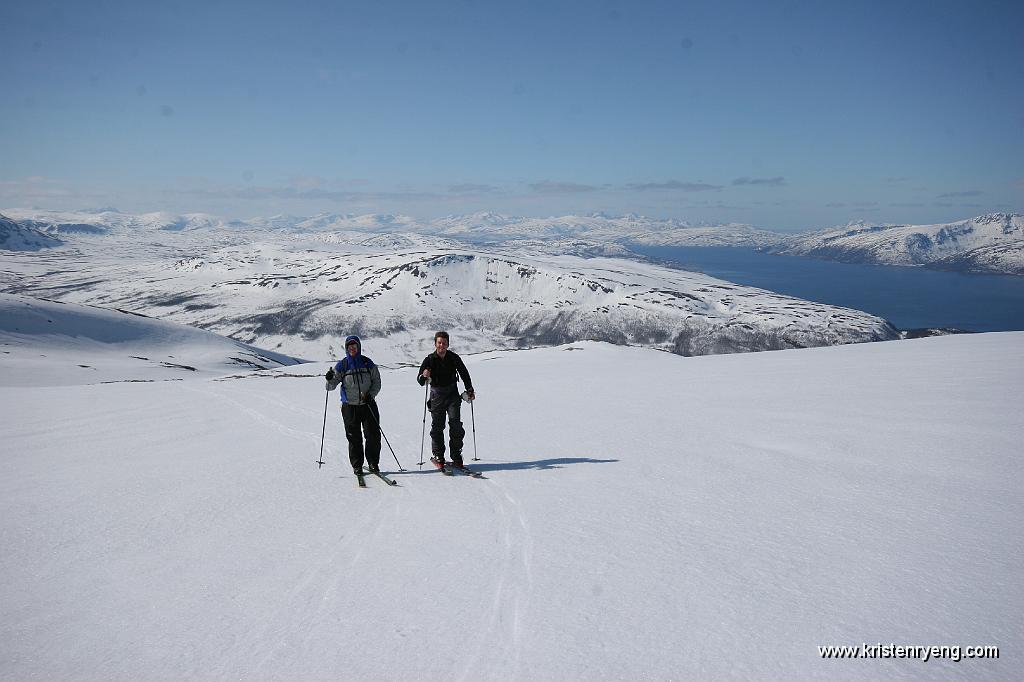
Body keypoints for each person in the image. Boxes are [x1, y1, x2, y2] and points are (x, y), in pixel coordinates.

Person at [417, 330, 475, 469]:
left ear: (448, 344)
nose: (441, 345)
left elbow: (464, 373)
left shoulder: (453, 358)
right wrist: (424, 375)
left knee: (456, 426)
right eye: (439, 343)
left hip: (452, 395)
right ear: (435, 344)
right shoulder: (429, 359)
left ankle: (456, 456)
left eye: (444, 343)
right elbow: (420, 381)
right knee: (438, 426)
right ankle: (439, 456)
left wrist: (470, 389)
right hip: (436, 396)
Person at [325, 335, 382, 475]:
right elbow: (330, 387)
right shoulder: (342, 365)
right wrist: (329, 379)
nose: (352, 348)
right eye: (349, 346)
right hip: (349, 406)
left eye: (354, 346)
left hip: (368, 404)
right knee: (353, 437)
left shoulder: (368, 363)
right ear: (346, 348)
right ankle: (357, 465)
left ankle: (373, 463)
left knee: (373, 435)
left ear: (359, 347)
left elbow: (377, 382)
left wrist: (370, 395)